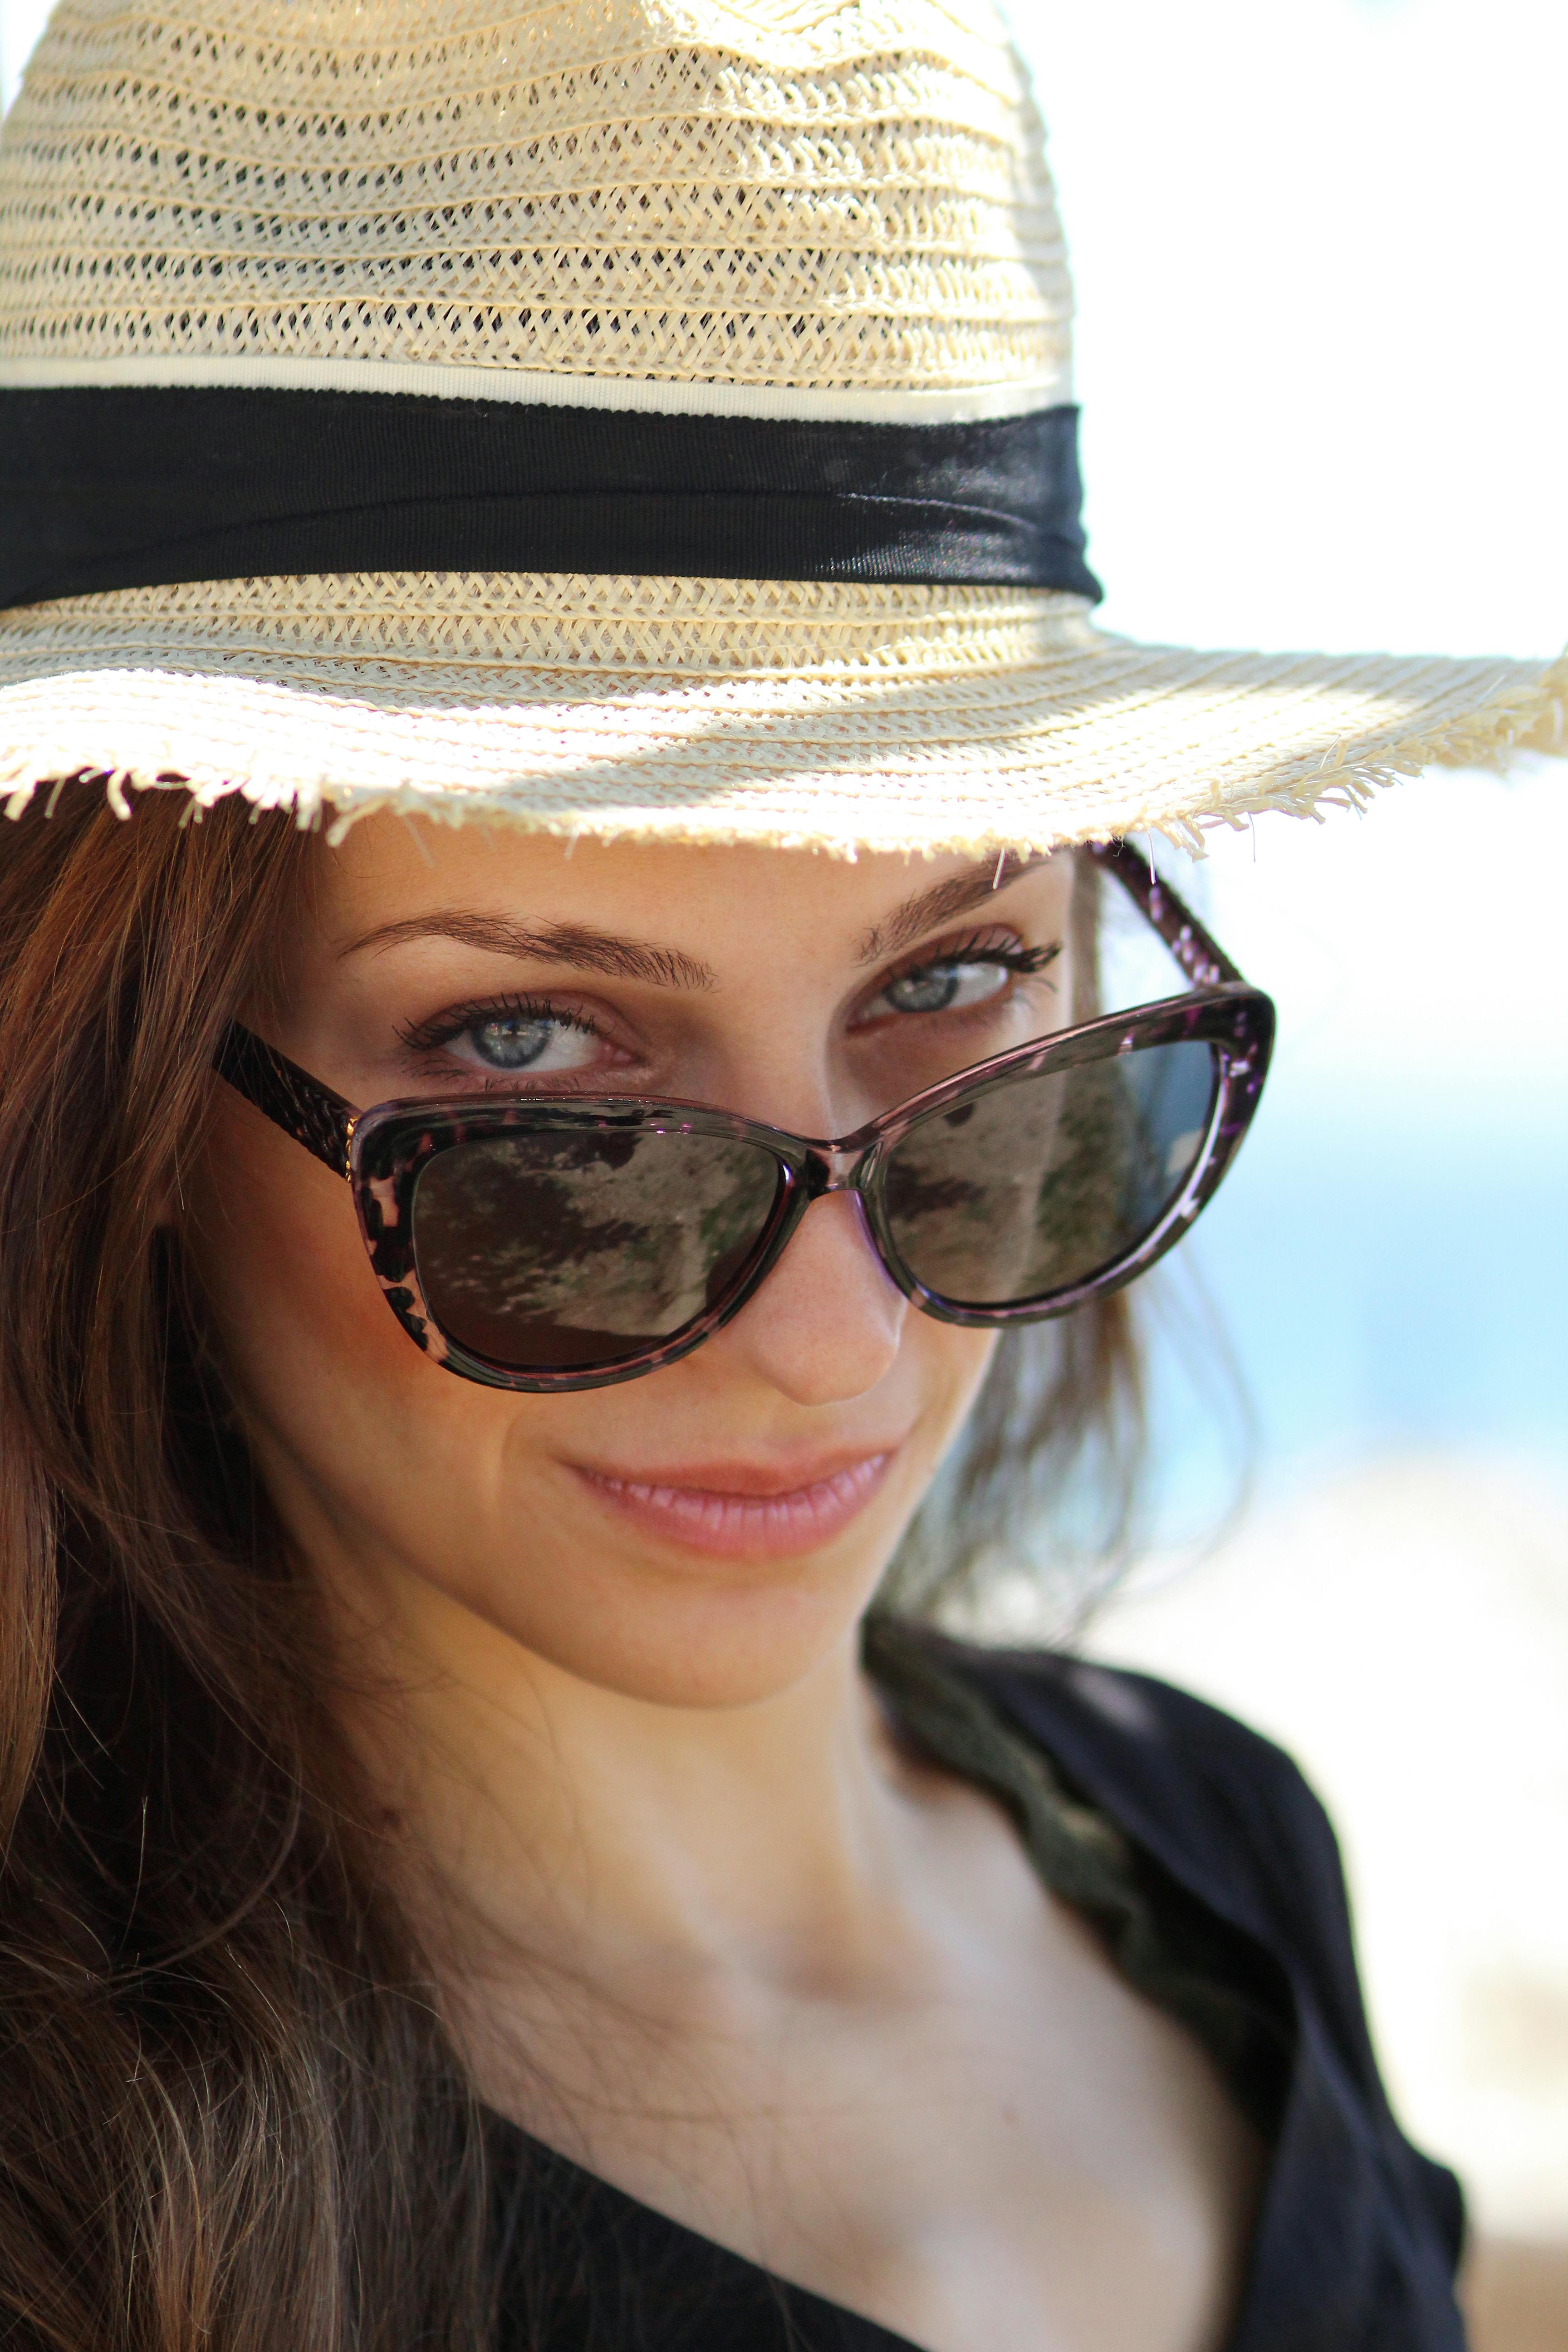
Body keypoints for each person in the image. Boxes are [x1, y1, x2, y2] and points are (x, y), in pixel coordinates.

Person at [0, 5, 1559, 2349]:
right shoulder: (85, 2194)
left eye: (951, 995)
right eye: (533, 1066)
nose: (841, 1338)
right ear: (127, 1112)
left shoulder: (1212, 1853)